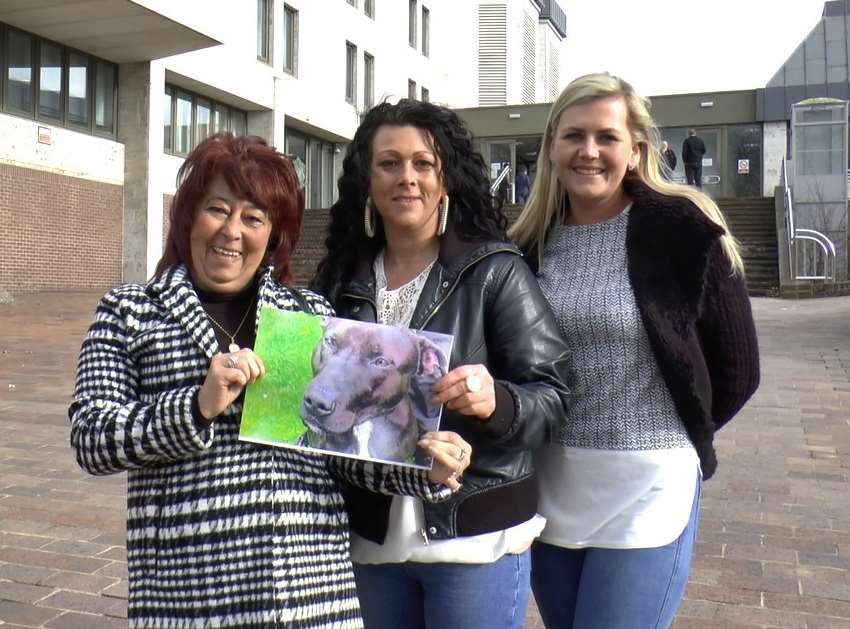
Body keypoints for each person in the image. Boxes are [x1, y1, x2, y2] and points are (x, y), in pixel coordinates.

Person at [69, 133, 472, 629]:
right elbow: (92, 438)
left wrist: (423, 468)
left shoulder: (309, 317)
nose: (232, 232)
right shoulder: (130, 312)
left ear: (273, 236)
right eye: (217, 209)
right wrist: (196, 406)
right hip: (188, 593)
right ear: (189, 216)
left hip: (307, 592)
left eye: (254, 218)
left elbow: (340, 454)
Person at [509, 73, 760, 629]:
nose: (589, 151)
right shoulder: (526, 245)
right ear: (552, 146)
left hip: (648, 483)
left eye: (607, 136)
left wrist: (675, 433)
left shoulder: (682, 229)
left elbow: (739, 368)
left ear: (636, 149)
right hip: (550, 483)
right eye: (574, 135)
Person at [311, 99, 572, 629]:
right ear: (367, 178)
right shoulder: (341, 283)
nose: (407, 178)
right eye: (389, 163)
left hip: (473, 537)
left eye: (423, 164)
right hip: (372, 540)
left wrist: (498, 402)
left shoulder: (496, 274)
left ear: (445, 178)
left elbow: (554, 396)